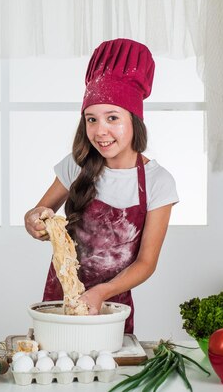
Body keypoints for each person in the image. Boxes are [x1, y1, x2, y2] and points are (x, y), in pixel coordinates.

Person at [24, 38, 179, 333]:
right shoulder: (77, 165)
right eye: (91, 119)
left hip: (112, 306)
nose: (100, 131)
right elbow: (40, 210)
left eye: (112, 118)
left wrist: (101, 293)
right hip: (61, 299)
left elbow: (146, 262)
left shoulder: (159, 183)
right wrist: (33, 219)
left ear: (135, 121)